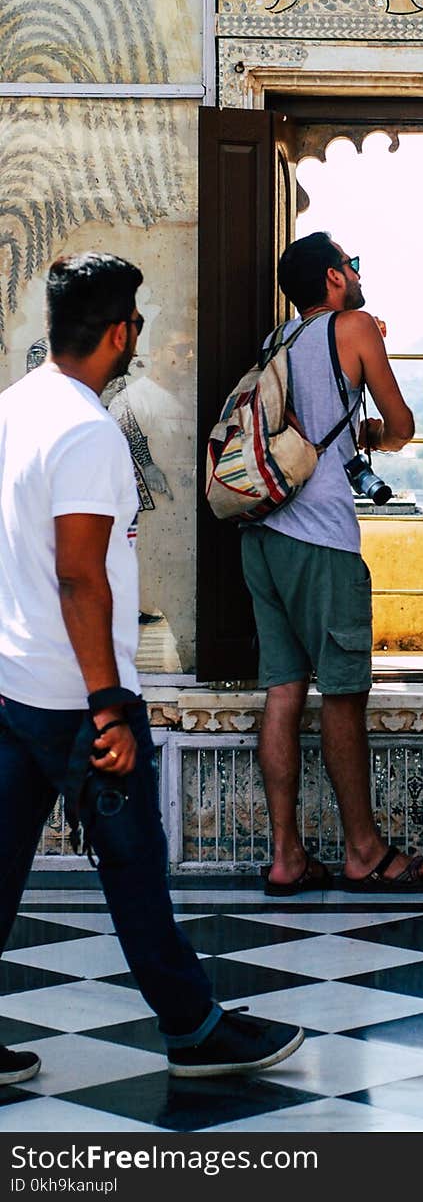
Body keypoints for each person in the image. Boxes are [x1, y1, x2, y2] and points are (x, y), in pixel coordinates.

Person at [0, 253, 305, 1088]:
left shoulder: (13, 408)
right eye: (137, 320)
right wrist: (107, 707)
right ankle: (194, 1029)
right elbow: (79, 574)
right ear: (119, 331)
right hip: (76, 698)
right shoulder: (90, 431)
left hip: (13, 684)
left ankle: (193, 1021)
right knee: (135, 869)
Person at [241, 232, 423, 895]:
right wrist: (373, 433)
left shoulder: (279, 340)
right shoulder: (355, 327)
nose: (357, 276)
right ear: (334, 278)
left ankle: (286, 855)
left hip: (262, 533)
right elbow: (403, 422)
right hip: (322, 540)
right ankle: (363, 851)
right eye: (351, 267)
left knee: (282, 689)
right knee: (343, 694)